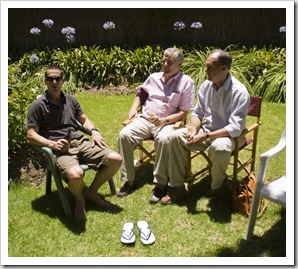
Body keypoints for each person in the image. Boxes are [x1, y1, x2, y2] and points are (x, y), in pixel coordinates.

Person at [27, 66, 122, 221]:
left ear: (63, 80)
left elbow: (83, 119)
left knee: (116, 159)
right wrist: (52, 144)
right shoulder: (37, 106)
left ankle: (91, 192)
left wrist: (94, 131)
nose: (54, 82)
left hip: (79, 142)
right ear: (45, 81)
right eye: (50, 79)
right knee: (76, 174)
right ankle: (80, 200)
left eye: (57, 78)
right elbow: (31, 135)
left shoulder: (70, 99)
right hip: (60, 150)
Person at [168, 49, 250, 205]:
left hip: (230, 137)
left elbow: (235, 128)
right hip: (205, 131)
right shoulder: (206, 85)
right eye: (206, 66)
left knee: (220, 147)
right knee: (174, 137)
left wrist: (204, 136)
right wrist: (193, 130)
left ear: (225, 69)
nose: (206, 71)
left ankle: (218, 189)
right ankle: (177, 186)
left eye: (210, 67)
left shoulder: (239, 92)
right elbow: (198, 112)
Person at [117, 48, 195, 204]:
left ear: (179, 64)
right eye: (163, 61)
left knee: (164, 140)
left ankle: (160, 184)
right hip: (145, 119)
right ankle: (129, 180)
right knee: (124, 135)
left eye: (169, 62)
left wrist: (164, 121)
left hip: (168, 122)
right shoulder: (154, 77)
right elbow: (141, 94)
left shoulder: (186, 82)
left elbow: (184, 112)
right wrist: (133, 108)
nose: (165, 64)